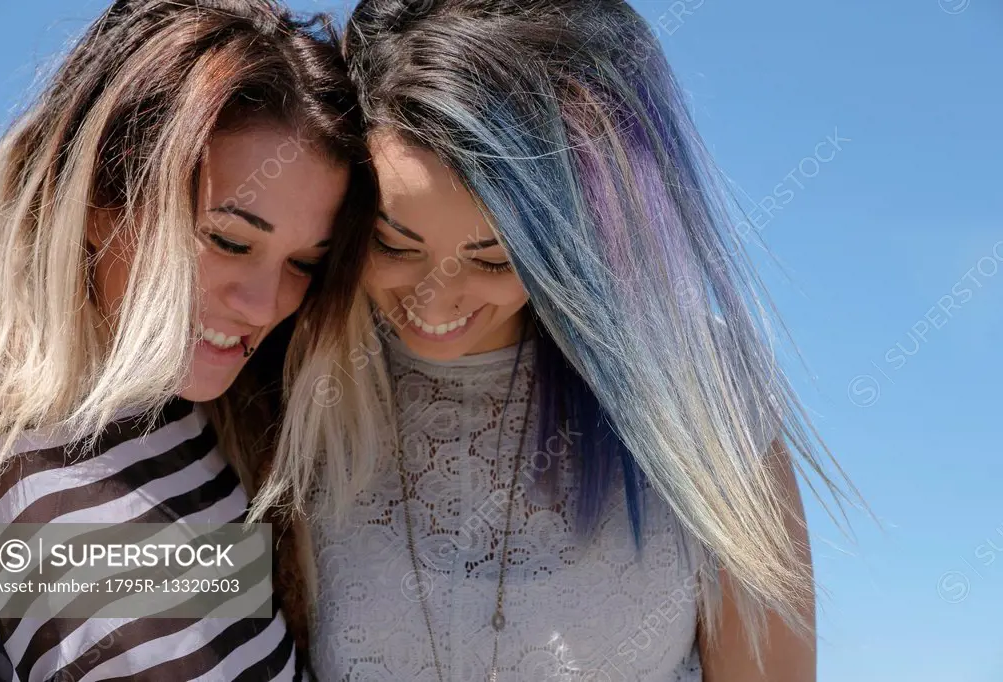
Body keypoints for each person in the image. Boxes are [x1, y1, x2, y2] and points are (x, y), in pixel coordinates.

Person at [253, 1, 862, 680]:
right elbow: (155, 618)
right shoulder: (286, 368)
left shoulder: (702, 389)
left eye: (495, 258)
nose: (436, 300)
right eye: (393, 245)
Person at [0, 1, 380, 679]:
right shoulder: (15, 476)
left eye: (303, 264)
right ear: (102, 199)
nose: (263, 304)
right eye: (228, 240)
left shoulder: (203, 421)